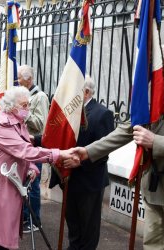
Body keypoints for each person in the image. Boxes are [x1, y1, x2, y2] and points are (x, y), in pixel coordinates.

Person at [68, 47, 164, 250]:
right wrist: (88, 151)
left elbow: (150, 138)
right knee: (153, 244)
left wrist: (156, 142)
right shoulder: (152, 97)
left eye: (157, 65)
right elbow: (125, 131)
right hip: (154, 186)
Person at [0, 86, 79, 250]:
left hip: (7, 183)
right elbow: (24, 150)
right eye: (24, 105)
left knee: (3, 233)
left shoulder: (16, 121)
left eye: (28, 104)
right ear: (11, 105)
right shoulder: (1, 125)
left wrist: (31, 168)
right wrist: (60, 154)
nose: (28, 108)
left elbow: (21, 149)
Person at [63, 75, 114, 249]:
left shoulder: (102, 114)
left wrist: (80, 162)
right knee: (73, 225)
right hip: (70, 179)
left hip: (90, 181)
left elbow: (104, 151)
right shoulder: (70, 111)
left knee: (88, 230)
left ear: (85, 92)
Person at [17, 65, 50, 233]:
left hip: (34, 147)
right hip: (22, 146)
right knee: (23, 183)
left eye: (20, 78)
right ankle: (24, 216)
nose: (17, 81)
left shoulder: (40, 97)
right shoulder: (24, 96)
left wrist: (24, 112)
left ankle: (35, 220)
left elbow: (41, 125)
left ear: (29, 79)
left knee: (33, 183)